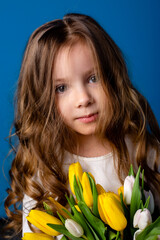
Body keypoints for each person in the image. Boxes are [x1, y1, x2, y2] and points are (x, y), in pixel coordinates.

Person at [4, 13, 160, 238]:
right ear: (43, 97)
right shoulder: (47, 166)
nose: (83, 99)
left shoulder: (140, 148)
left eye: (93, 78)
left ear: (112, 77)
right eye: (61, 88)